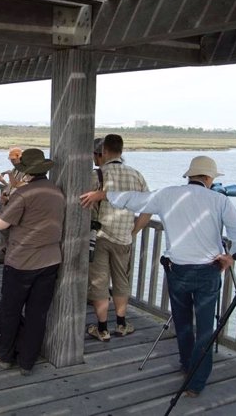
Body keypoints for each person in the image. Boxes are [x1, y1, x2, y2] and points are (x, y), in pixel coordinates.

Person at [80, 155, 236, 396]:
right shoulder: (219, 201)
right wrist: (230, 257)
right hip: (207, 271)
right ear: (209, 178)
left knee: (181, 323)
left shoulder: (168, 194)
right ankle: (196, 382)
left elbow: (134, 201)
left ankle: (185, 363)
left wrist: (102, 195)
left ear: (189, 176)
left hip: (177, 269)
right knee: (205, 329)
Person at [0, 148, 65, 376]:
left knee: (10, 310)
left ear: (25, 173)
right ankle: (27, 361)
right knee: (37, 313)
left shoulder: (23, 195)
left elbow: (1, 224)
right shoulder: (57, 192)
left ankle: (4, 356)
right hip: (50, 261)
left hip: (21, 261)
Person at [81, 134, 151, 342]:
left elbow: (83, 203)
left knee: (99, 282)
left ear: (104, 152)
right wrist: (134, 230)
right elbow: (148, 208)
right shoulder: (136, 175)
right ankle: (121, 324)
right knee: (122, 281)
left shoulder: (97, 176)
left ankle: (102, 328)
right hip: (124, 238)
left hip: (99, 237)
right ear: (121, 150)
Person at [0, 147, 26, 265]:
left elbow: (19, 186)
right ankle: (4, 252)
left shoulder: (26, 171)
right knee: (4, 230)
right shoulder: (15, 170)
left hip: (16, 204)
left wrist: (9, 175)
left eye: (14, 159)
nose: (12, 161)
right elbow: (11, 186)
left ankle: (4, 253)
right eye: (11, 159)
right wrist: (5, 195)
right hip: (8, 203)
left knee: (5, 228)